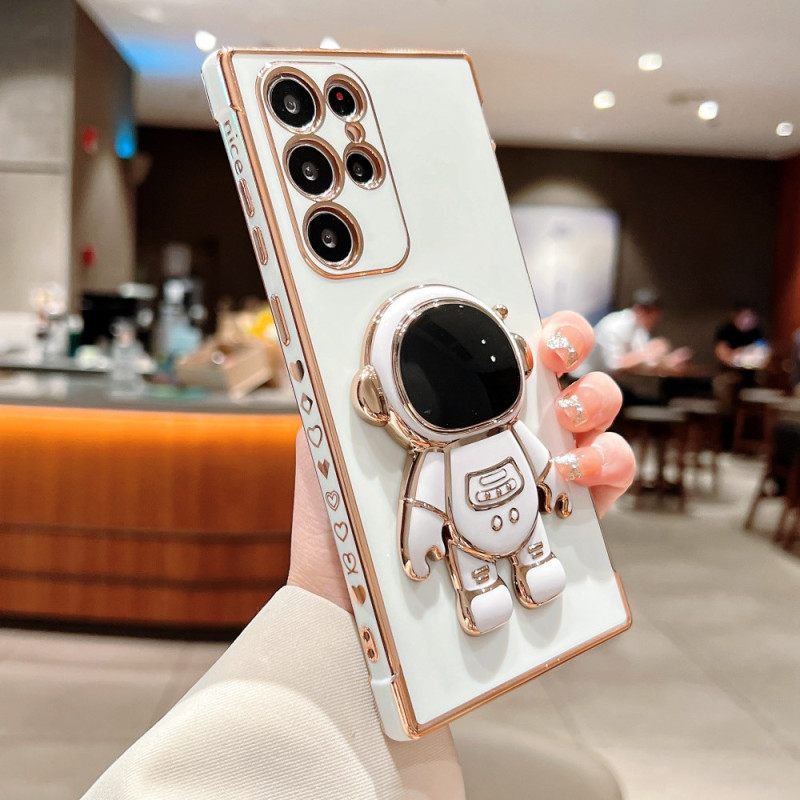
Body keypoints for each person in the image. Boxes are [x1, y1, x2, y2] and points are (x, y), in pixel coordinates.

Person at [82, 310, 635, 800]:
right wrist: (369, 581)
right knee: (481, 576)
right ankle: (495, 582)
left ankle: (530, 565)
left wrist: (559, 484)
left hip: (518, 521)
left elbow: (537, 466)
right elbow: (424, 503)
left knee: (528, 554)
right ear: (377, 401)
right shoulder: (437, 454)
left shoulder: (499, 433)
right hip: (473, 542)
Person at [581, 289, 689, 376]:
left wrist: (667, 362)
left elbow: (644, 362)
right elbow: (614, 365)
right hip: (584, 379)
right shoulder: (614, 325)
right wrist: (649, 351)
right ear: (639, 310)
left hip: (610, 381)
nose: (654, 322)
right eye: (653, 317)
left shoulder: (639, 328)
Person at [714, 304, 769, 369]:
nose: (748, 320)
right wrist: (736, 356)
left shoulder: (757, 331)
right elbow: (722, 352)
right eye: (744, 316)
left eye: (751, 317)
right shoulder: (726, 330)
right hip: (729, 369)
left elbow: (762, 348)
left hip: (753, 369)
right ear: (735, 317)